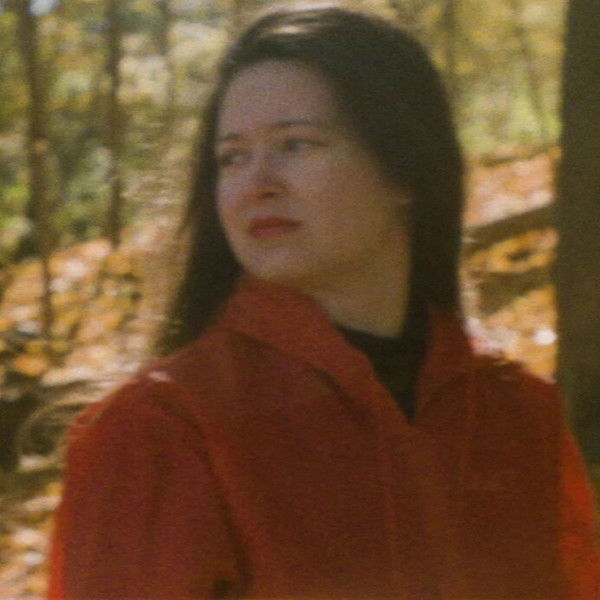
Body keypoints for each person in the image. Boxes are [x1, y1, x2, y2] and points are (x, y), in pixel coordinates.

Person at [48, 5, 599, 599]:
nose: (257, 183)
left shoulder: (517, 412)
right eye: (232, 157)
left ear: (405, 169)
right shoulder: (161, 428)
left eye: (295, 144)